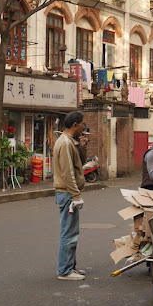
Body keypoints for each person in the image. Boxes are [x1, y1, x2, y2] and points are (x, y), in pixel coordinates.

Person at [53, 111, 86, 281]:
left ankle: (70, 266)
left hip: (67, 194)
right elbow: (68, 173)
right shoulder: (65, 143)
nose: (83, 127)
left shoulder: (70, 142)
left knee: (72, 231)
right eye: (82, 124)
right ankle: (65, 270)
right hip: (67, 194)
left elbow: (79, 163)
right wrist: (75, 195)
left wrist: (82, 145)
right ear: (75, 125)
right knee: (68, 233)